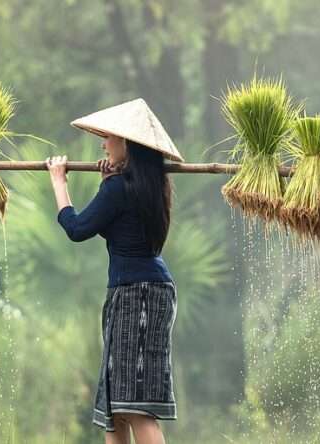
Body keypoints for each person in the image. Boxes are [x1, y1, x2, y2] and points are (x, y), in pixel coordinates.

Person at [46, 98, 185, 444]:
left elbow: (78, 228)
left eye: (109, 137)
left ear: (127, 144)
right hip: (142, 291)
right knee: (115, 409)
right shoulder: (148, 187)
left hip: (137, 295)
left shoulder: (120, 189)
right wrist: (106, 183)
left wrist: (58, 181)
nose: (103, 143)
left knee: (135, 407)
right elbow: (113, 225)